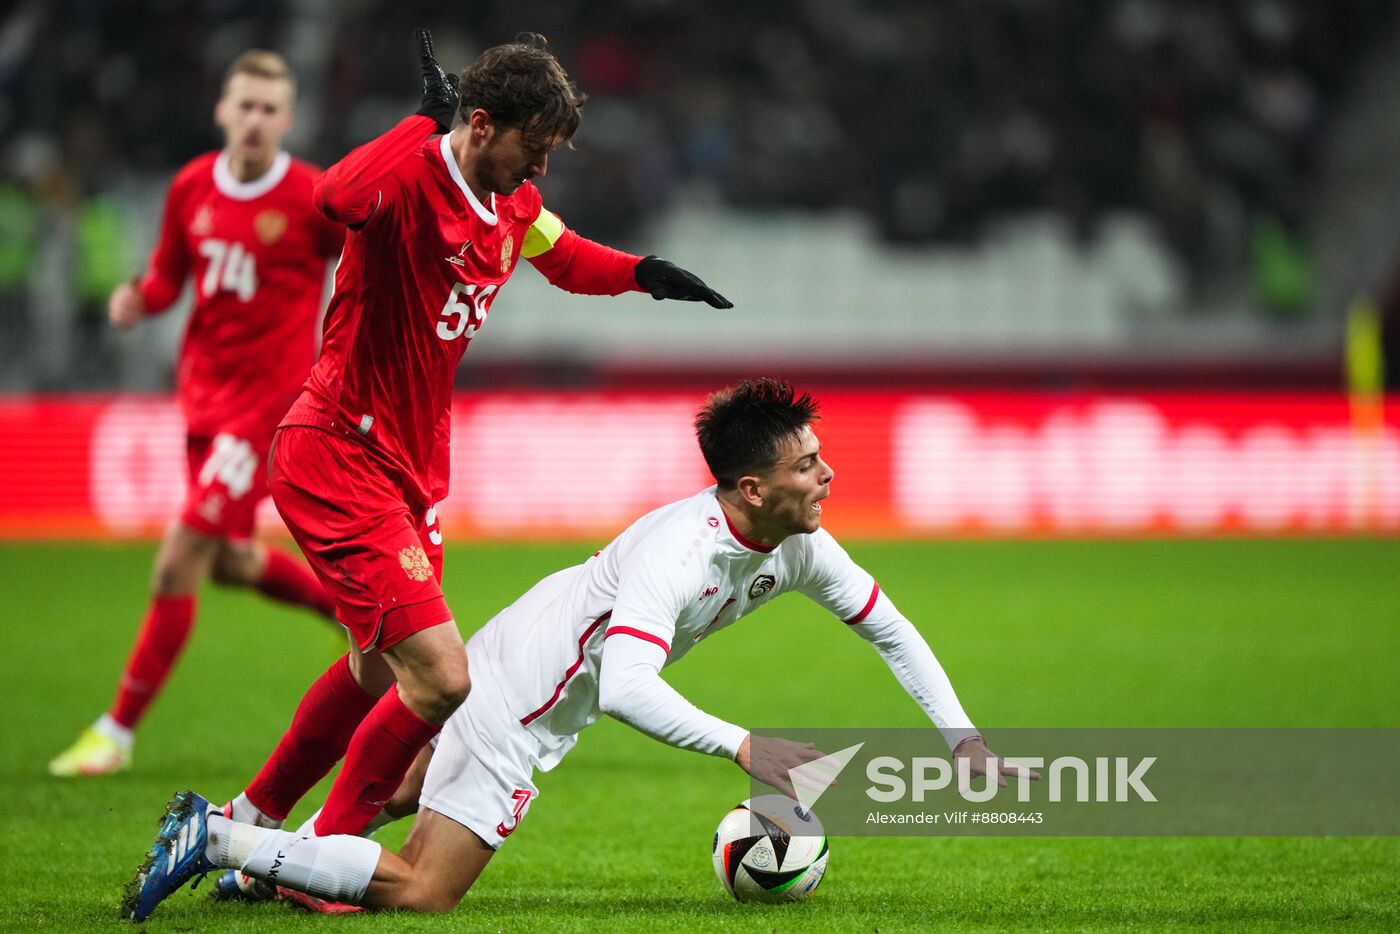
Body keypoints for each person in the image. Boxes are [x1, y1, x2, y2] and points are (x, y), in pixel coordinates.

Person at [123, 378, 1032, 921]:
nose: (827, 475)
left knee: (402, 795)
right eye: (807, 466)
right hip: (531, 690)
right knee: (426, 888)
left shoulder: (799, 543)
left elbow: (890, 627)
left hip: (536, 640)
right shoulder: (680, 555)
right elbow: (631, 685)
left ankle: (256, 861)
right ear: (751, 488)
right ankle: (218, 837)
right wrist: (744, 746)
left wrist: (961, 738)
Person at [199, 28, 732, 851]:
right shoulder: (406, 182)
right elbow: (330, 199)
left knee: (379, 672)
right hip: (339, 448)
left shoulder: (513, 203)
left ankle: (248, 820)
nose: (542, 170)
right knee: (442, 678)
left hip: (412, 471)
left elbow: (562, 256)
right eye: (535, 147)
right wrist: (420, 124)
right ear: (480, 125)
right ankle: (314, 859)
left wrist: (642, 274)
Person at [50, 50, 344, 778]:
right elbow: (168, 278)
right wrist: (137, 299)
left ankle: (114, 733)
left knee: (179, 556)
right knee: (233, 564)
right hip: (202, 401)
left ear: (288, 118)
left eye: (269, 108)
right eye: (244, 105)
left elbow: (365, 265)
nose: (255, 120)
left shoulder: (310, 197)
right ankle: (348, 609)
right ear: (221, 108)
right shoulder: (190, 187)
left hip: (265, 409)